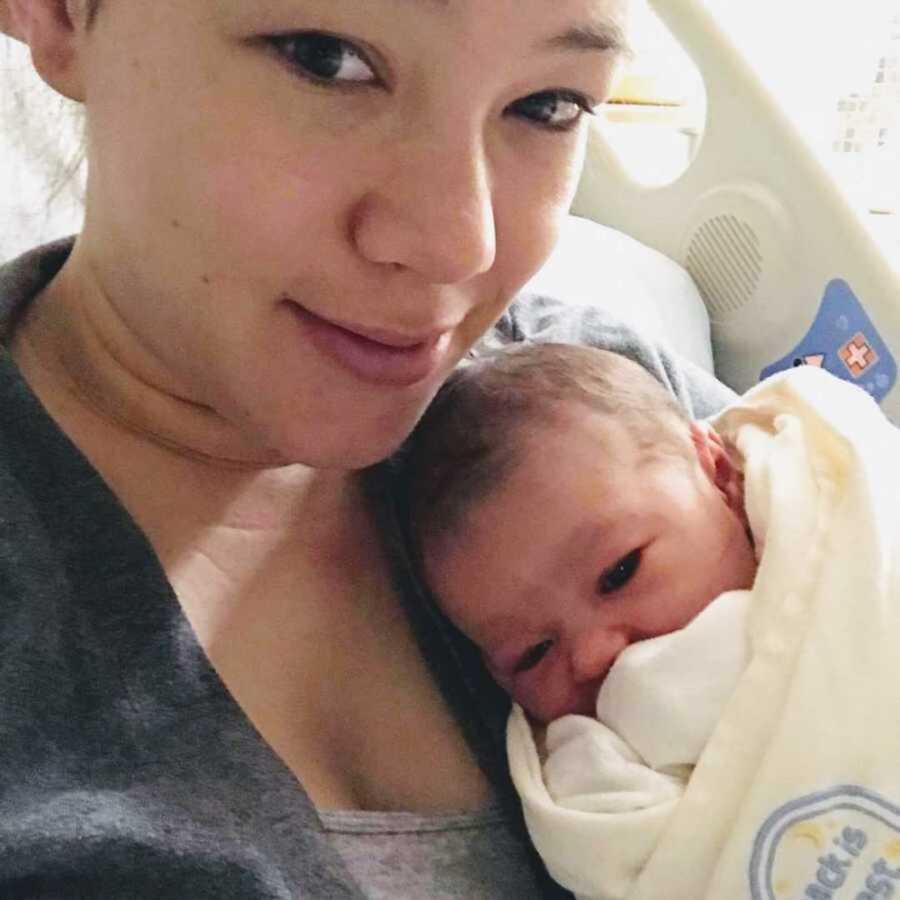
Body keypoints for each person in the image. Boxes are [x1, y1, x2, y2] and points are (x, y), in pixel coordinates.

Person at [0, 1, 736, 897]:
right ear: (61, 15)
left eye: (547, 106)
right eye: (327, 59)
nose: (461, 246)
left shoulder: (604, 407)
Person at [400, 341, 900, 900]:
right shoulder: (595, 788)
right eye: (531, 653)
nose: (593, 656)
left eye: (619, 573)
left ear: (719, 473)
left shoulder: (848, 517)